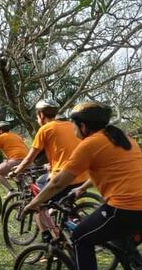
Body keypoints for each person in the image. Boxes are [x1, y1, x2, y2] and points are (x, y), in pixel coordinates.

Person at [23, 101, 142, 270]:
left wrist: (33, 203)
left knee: (80, 238)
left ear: (84, 126)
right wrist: (82, 188)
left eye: (75, 124)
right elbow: (109, 167)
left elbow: (57, 183)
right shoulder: (122, 138)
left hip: (128, 210)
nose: (73, 128)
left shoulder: (89, 144)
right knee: (124, 245)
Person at [9, 99, 88, 239]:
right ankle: (66, 220)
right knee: (48, 187)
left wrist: (16, 171)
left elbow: (29, 158)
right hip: (84, 177)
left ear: (40, 115)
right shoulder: (71, 125)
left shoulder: (45, 129)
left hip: (63, 178)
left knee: (37, 201)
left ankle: (50, 240)